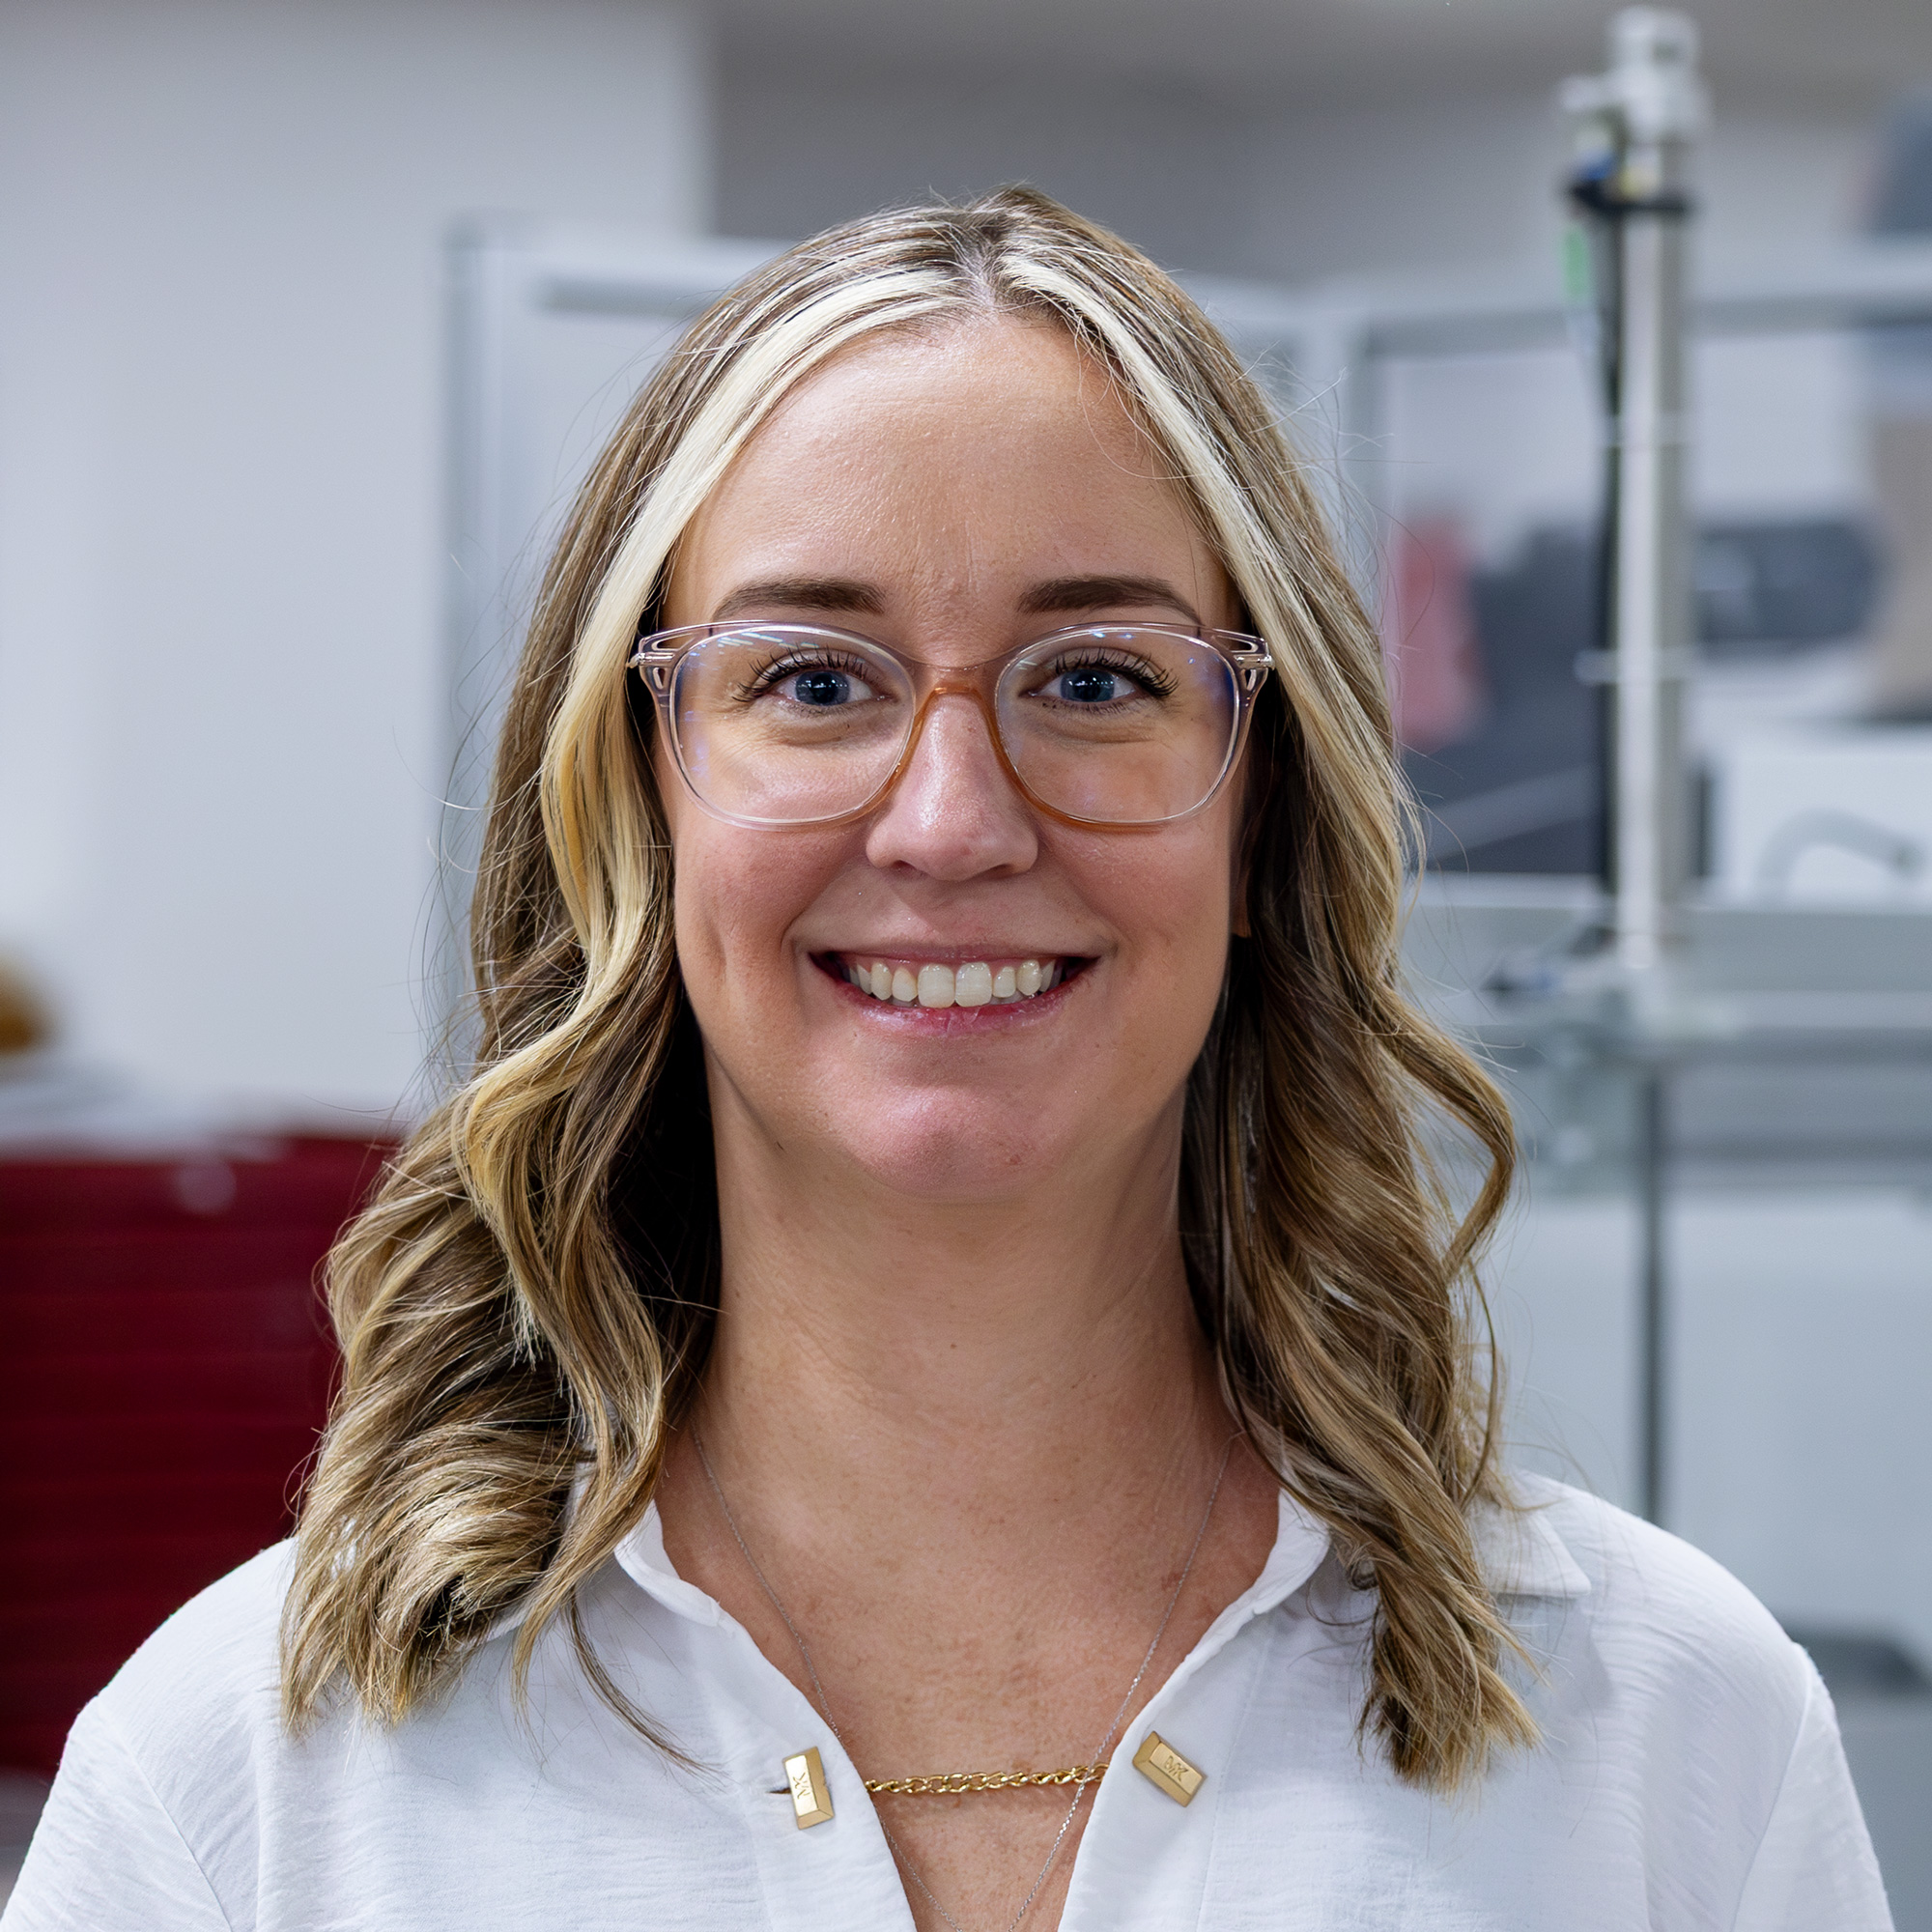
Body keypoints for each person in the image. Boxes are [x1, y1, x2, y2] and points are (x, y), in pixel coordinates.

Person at [4, 188, 1890, 1932]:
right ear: (635, 819)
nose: (950, 820)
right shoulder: (249, 1791)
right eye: (813, 681)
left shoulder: (1664, 1732)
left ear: (1266, 822)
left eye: (1095, 680)